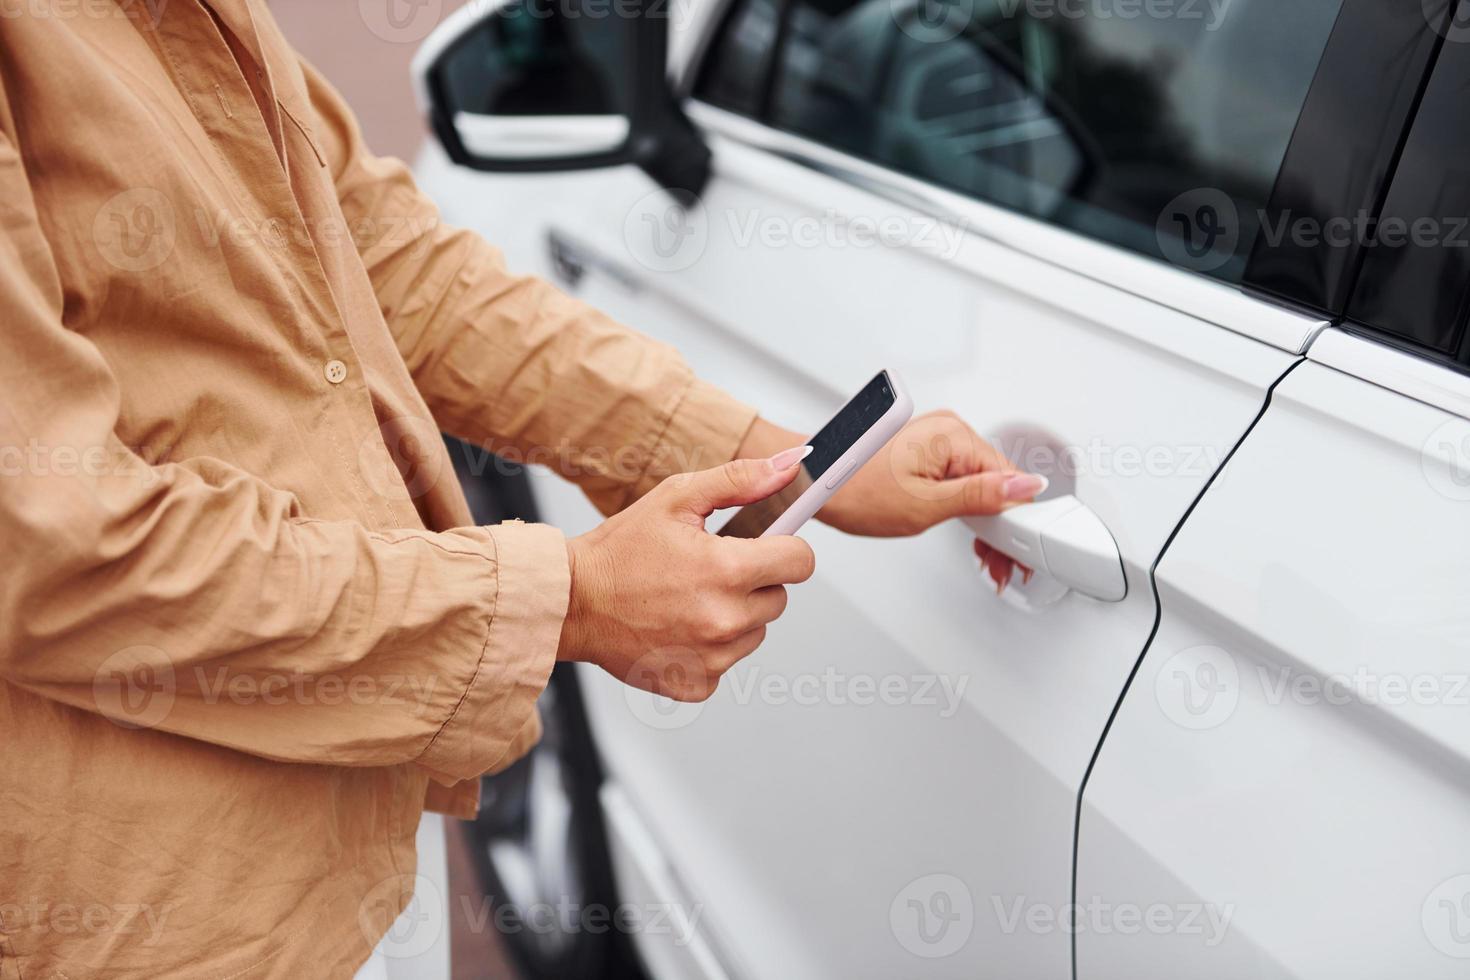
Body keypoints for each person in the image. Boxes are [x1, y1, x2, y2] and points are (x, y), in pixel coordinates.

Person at [0, 2, 1044, 977]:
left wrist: (786, 459)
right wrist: (571, 599)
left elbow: (379, 261)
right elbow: (54, 549)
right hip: (156, 921)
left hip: (356, 845)